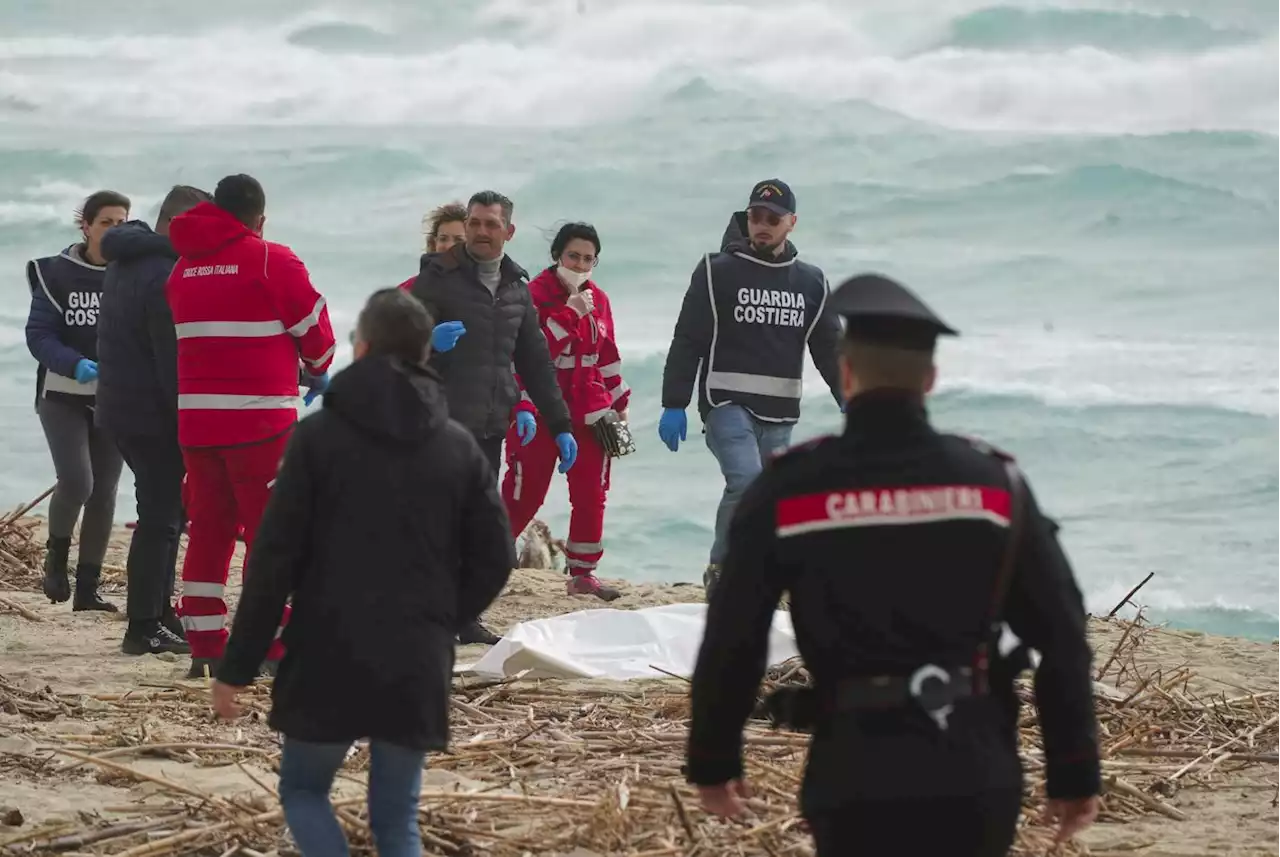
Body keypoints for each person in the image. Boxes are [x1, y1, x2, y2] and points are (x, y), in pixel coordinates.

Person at [684, 273, 1102, 856]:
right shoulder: (994, 485)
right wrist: (1074, 772)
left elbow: (735, 634)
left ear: (847, 375)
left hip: (853, 768)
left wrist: (713, 758)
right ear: (929, 381)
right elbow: (1061, 634)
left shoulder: (789, 490)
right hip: (972, 765)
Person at [211, 288, 514, 857]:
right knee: (397, 821)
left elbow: (274, 560)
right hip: (417, 654)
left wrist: (237, 666)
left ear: (363, 346)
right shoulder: (456, 446)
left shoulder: (316, 438)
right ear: (426, 353)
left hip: (328, 648)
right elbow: (498, 556)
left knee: (303, 791)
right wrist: (443, 613)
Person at [166, 174, 337, 679]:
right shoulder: (271, 258)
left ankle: (205, 645)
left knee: (208, 530)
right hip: (261, 422)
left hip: (198, 423)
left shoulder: (182, 267)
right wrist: (314, 366)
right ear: (259, 219)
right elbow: (319, 340)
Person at [658, 179, 844, 597]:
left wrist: (851, 394)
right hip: (726, 403)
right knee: (745, 482)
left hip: (780, 411)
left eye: (773, 219)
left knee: (769, 497)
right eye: (755, 217)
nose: (762, 225)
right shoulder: (716, 271)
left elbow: (830, 347)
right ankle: (722, 569)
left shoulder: (811, 283)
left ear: (791, 223)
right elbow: (688, 337)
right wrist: (675, 403)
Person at [408, 190, 576, 645]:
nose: (481, 232)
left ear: (509, 231)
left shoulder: (516, 290)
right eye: (475, 223)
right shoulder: (437, 280)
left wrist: (560, 426)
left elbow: (536, 363)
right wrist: (426, 341)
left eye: (490, 225)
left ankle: (461, 616)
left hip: (488, 428)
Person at [98, 185, 213, 656]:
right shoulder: (165, 273)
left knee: (165, 514)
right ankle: (142, 626)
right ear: (179, 222)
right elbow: (171, 361)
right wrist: (190, 420)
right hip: (151, 413)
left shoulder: (129, 259)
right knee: (161, 518)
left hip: (122, 406)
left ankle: (160, 614)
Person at [501, 223, 630, 601]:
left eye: (589, 258)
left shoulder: (599, 299)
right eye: (574, 256)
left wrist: (620, 403)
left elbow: (607, 356)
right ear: (558, 254)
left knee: (592, 493)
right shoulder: (532, 295)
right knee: (526, 492)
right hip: (541, 408)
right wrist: (570, 314)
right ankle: (486, 558)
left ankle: (583, 575)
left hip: (590, 410)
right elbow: (531, 355)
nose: (580, 264)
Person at [24, 190, 131, 612]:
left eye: (122, 223)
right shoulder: (56, 273)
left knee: (105, 492)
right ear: (85, 225)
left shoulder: (134, 275)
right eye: (106, 222)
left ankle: (88, 589)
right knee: (78, 481)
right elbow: (39, 336)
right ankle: (56, 559)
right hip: (63, 394)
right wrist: (75, 364)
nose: (114, 231)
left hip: (116, 399)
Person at [397, 202, 467, 291]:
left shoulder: (481, 287)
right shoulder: (411, 288)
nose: (449, 246)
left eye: (458, 240)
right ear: (434, 243)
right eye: (443, 239)